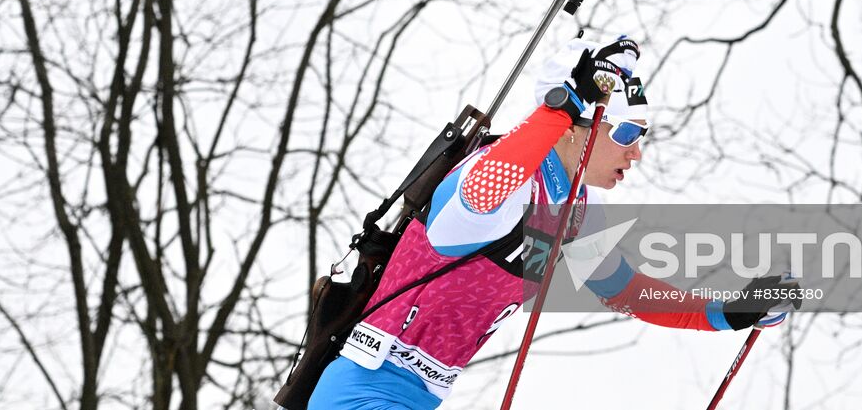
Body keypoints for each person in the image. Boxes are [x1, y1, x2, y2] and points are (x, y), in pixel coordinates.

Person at [307, 36, 795, 410]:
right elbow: (482, 190)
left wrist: (730, 312)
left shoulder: (574, 210)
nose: (636, 151)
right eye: (627, 132)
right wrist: (558, 108)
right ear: (579, 125)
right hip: (358, 392)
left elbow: (627, 293)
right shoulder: (502, 176)